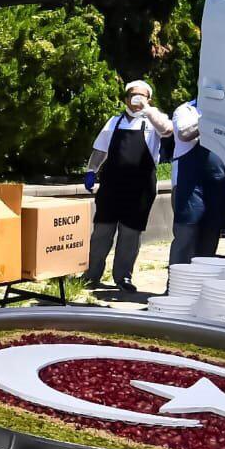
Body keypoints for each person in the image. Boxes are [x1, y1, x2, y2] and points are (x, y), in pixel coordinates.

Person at [84, 80, 173, 292]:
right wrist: (91, 170)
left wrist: (148, 109)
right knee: (102, 232)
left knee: (130, 234)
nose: (136, 99)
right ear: (125, 99)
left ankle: (123, 277)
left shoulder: (153, 122)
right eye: (133, 95)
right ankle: (91, 274)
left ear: (149, 99)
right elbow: (100, 150)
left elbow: (168, 130)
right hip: (111, 187)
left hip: (140, 189)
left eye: (142, 95)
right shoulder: (114, 122)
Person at [168, 99, 225, 265]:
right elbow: (184, 134)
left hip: (218, 183)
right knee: (186, 234)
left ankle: (200, 283)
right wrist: (210, 118)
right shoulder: (186, 110)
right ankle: (176, 284)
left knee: (211, 234)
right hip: (189, 184)